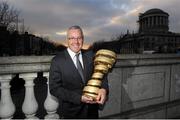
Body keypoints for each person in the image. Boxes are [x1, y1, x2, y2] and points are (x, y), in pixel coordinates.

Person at [49, 25, 109, 119]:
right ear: (67, 40)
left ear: (83, 39)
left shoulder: (90, 55)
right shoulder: (57, 61)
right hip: (72, 113)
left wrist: (103, 89)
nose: (76, 42)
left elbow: (102, 73)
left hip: (92, 112)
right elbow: (54, 88)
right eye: (72, 38)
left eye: (79, 38)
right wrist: (79, 98)